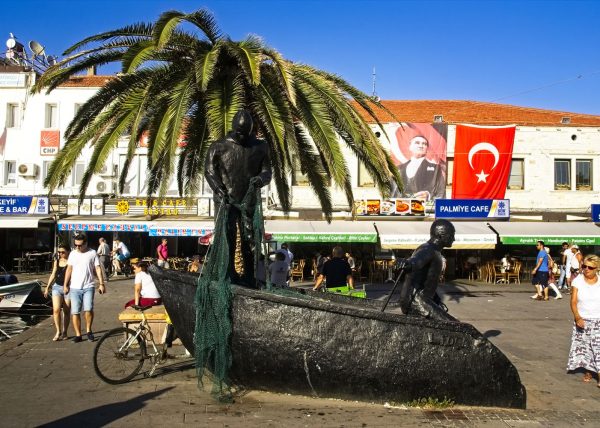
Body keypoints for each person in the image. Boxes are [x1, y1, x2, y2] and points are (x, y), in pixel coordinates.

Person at [204, 109, 272, 287]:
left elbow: (267, 171)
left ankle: (250, 275)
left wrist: (261, 179)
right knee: (227, 237)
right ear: (234, 129)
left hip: (248, 200)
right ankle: (226, 274)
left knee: (251, 238)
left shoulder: (260, 147)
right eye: (239, 133)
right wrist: (218, 189)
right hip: (226, 200)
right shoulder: (218, 146)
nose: (242, 137)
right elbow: (209, 171)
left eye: (245, 133)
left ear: (251, 131)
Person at [397, 219, 456, 321]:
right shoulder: (428, 249)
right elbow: (417, 260)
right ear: (440, 236)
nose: (454, 239)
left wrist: (436, 300)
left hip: (421, 299)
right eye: (451, 235)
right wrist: (408, 264)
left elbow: (425, 281)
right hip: (417, 301)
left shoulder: (433, 250)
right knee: (456, 327)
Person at [63, 233, 105, 343]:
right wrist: (65, 284)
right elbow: (69, 269)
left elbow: (98, 268)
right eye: (76, 245)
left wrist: (101, 284)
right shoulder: (73, 254)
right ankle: (78, 335)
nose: (77, 247)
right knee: (75, 312)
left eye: (80, 245)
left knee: (88, 309)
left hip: (88, 286)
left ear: (86, 243)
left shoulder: (92, 253)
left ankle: (89, 331)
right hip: (74, 287)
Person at [567, 254, 600, 385]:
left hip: (598, 319)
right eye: (584, 266)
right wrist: (577, 317)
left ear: (597, 268)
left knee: (598, 348)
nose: (586, 269)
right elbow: (573, 301)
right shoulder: (578, 281)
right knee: (586, 347)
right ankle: (589, 370)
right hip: (583, 319)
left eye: (590, 267)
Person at [390, 135, 445, 201]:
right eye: (417, 143)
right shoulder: (399, 168)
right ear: (410, 147)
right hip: (401, 206)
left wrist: (428, 196)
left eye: (424, 144)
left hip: (423, 206)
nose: (421, 146)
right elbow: (391, 191)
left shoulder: (436, 169)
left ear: (427, 149)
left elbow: (441, 192)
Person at [43, 246, 71, 341]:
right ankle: (58, 331)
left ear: (68, 252)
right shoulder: (57, 261)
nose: (60, 254)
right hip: (57, 287)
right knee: (56, 310)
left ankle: (65, 331)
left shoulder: (71, 262)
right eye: (59, 252)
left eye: (63, 252)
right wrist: (47, 287)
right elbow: (53, 274)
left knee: (66, 311)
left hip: (68, 288)